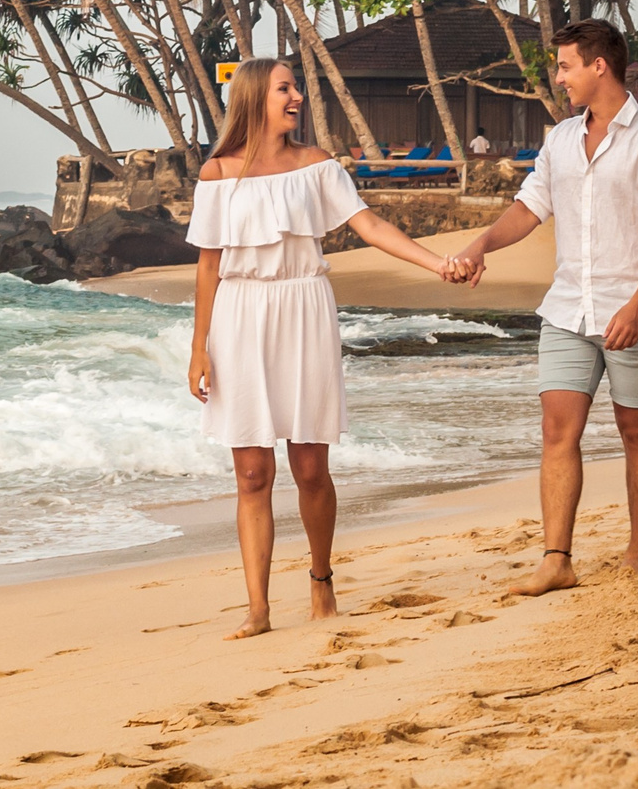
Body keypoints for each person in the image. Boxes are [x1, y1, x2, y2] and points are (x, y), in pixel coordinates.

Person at [189, 57, 464, 639]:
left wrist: (437, 262)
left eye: (296, 88)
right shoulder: (217, 174)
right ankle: (258, 609)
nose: (296, 97)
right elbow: (208, 264)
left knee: (311, 466)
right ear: (254, 97)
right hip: (239, 316)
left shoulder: (317, 167)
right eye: (285, 88)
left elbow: (369, 226)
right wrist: (199, 347)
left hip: (304, 308)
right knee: (252, 473)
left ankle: (321, 581)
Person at [445, 19, 638, 592]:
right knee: (557, 431)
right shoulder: (559, 140)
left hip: (636, 313)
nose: (559, 78)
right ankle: (557, 560)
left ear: (598, 65)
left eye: (565, 66)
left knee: (637, 433)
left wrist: (637, 304)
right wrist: (481, 243)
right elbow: (530, 207)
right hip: (566, 312)